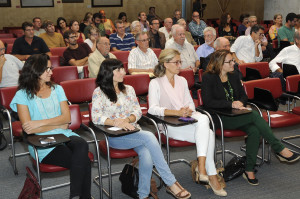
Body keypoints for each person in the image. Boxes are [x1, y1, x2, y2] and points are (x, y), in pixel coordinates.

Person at [92, 58, 191, 199]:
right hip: (115, 137)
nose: (123, 72)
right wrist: (116, 122)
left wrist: (127, 120)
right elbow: (96, 117)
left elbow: (138, 112)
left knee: (146, 153)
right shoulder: (99, 92)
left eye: (122, 69)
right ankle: (171, 182)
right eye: (119, 70)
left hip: (134, 131)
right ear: (109, 72)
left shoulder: (129, 89)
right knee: (150, 136)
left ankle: (143, 194)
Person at [201, 49, 300, 186]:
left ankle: (249, 170)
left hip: (237, 114)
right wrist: (231, 104)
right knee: (254, 114)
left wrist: (240, 102)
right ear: (219, 64)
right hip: (220, 117)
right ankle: (278, 148)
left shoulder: (234, 75)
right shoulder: (208, 77)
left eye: (233, 60)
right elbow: (208, 102)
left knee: (254, 130)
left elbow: (243, 95)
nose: (233, 64)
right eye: (230, 61)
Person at [10, 54, 92, 198]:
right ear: (35, 70)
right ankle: (81, 196)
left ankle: (75, 195)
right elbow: (29, 129)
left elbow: (67, 119)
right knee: (83, 161)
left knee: (82, 144)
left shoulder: (57, 89)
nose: (51, 72)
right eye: (47, 69)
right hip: (40, 140)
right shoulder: (22, 95)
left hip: (64, 134)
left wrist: (38, 123)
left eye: (51, 68)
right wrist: (58, 123)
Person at [148, 49, 227, 197]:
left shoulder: (182, 80)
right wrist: (176, 112)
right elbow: (152, 109)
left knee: (205, 123)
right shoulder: (155, 83)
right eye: (176, 62)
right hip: (168, 125)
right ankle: (209, 173)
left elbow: (191, 104)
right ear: (165, 64)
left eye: (180, 62)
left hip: (186, 120)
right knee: (208, 131)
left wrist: (186, 110)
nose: (180, 65)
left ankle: (203, 169)